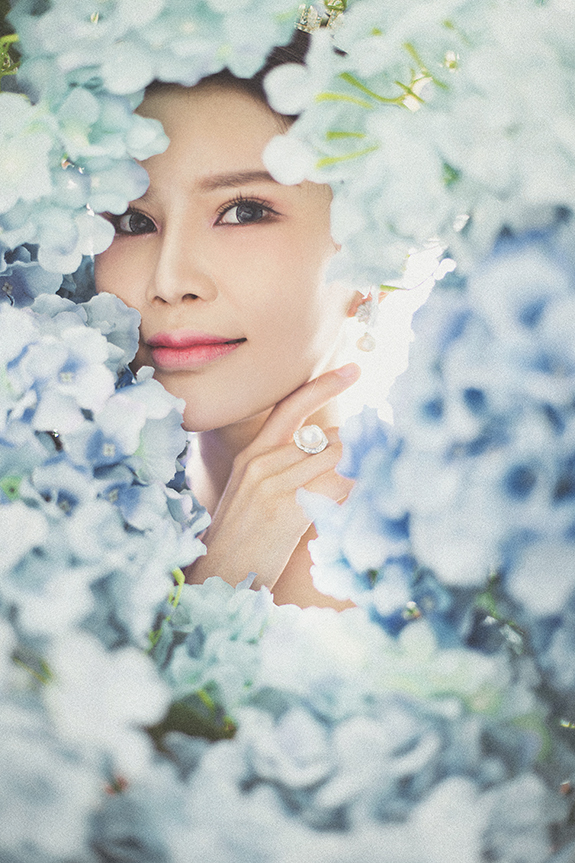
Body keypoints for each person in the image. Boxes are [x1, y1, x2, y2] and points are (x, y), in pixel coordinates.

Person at [94, 34, 382, 610]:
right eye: (132, 221)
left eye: (243, 212)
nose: (170, 281)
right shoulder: (67, 516)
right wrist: (225, 572)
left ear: (372, 246)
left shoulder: (423, 567)